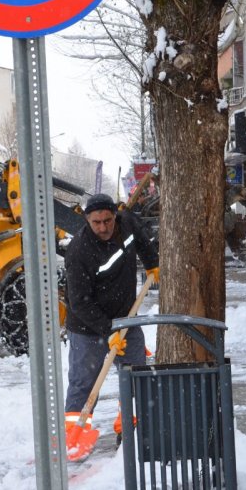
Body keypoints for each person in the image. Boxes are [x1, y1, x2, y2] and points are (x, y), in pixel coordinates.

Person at [63, 193, 159, 454]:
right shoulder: (79, 251)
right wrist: (108, 330)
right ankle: (74, 437)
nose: (103, 227)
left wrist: (153, 265)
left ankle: (130, 429)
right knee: (84, 382)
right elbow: (80, 302)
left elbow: (141, 239)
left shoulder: (126, 223)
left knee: (135, 375)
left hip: (126, 316)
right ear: (87, 220)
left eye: (107, 220)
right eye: (97, 222)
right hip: (87, 327)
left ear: (115, 216)